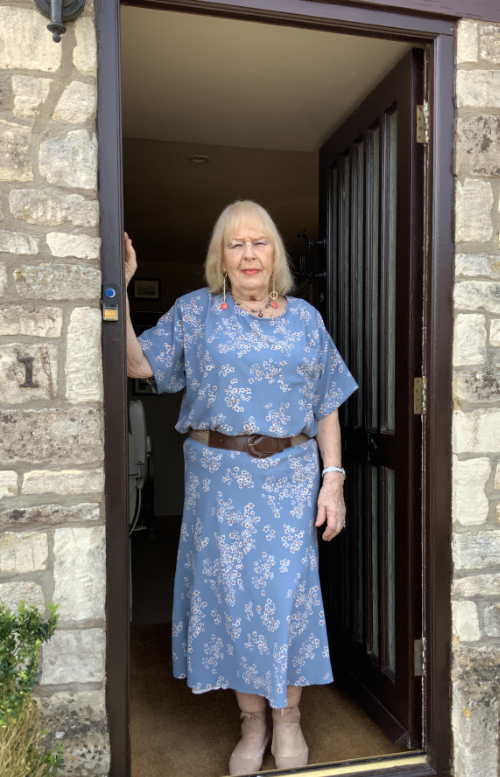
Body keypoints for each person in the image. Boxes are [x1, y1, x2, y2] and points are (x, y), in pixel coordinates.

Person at [125, 200, 358, 775]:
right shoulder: (194, 312)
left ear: (274, 254)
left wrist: (334, 481)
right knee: (233, 602)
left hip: (289, 479)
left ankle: (288, 720)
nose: (250, 253)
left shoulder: (306, 319)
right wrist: (121, 289)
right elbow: (139, 367)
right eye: (236, 244)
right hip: (220, 483)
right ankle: (252, 725)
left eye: (260, 242)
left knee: (285, 601)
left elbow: (326, 403)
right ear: (221, 259)